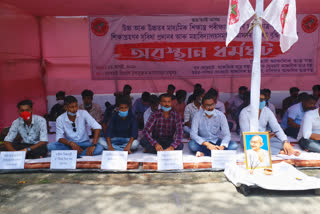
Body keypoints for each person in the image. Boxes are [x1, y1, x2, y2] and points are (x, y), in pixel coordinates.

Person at [239, 90, 299, 156]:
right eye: (260, 100)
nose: (263, 102)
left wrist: (285, 141)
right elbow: (246, 133)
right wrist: (264, 135)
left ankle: (277, 149)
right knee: (248, 145)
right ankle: (279, 152)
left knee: (281, 143)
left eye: (264, 99)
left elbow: (276, 127)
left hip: (265, 137)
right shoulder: (244, 112)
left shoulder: (267, 110)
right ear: (253, 100)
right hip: (249, 138)